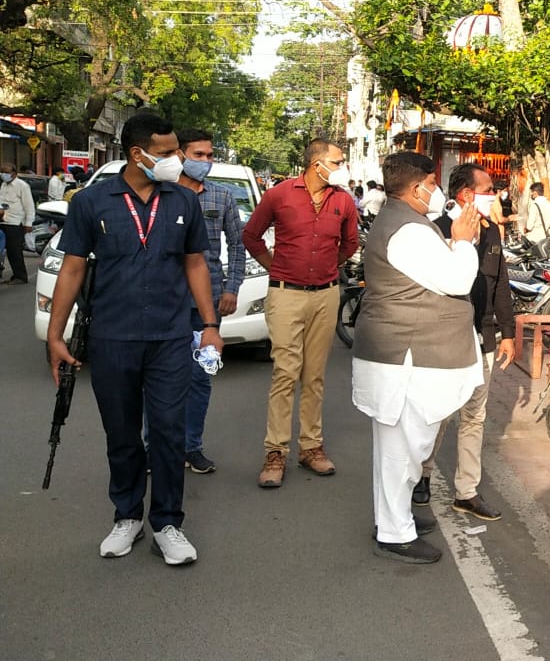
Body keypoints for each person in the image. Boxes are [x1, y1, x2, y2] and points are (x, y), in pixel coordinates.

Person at [47, 113, 222, 565]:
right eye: (165, 153)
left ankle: (167, 523)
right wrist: (55, 334)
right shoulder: (91, 202)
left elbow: (196, 264)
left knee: (167, 433)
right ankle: (127, 516)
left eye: (175, 151)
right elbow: (72, 267)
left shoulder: (183, 200)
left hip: (168, 338)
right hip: (112, 337)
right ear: (137, 154)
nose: (175, 160)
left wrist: (209, 327)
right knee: (122, 434)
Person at [351, 151, 484, 563]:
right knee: (401, 447)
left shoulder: (406, 222)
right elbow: (457, 279)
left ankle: (395, 516)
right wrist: (462, 241)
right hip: (404, 358)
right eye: (432, 182)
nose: (436, 190)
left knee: (407, 446)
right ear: (417, 187)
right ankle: (394, 533)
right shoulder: (407, 229)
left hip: (406, 356)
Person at [243, 139, 360, 488]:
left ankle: (311, 447)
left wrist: (328, 265)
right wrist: (276, 266)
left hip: (325, 295)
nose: (342, 167)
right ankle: (275, 451)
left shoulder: (343, 201)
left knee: (315, 375)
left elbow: (350, 244)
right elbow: (252, 236)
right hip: (286, 295)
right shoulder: (279, 195)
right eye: (337, 161)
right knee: (285, 372)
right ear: (316, 163)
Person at [411, 163, 516, 521]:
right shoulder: (433, 231)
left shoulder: (492, 234)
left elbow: (500, 285)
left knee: (474, 416)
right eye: (488, 189)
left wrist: (509, 334)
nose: (495, 195)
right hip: (445, 340)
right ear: (467, 195)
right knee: (438, 412)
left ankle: (466, 492)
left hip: (483, 337)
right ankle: (421, 476)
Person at [173, 128, 244, 474]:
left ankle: (191, 447)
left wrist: (232, 288)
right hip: (166, 301)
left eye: (210, 155)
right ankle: (153, 446)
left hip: (208, 305)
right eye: (198, 155)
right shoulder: (162, 196)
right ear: (180, 156)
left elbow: (238, 245)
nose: (206, 161)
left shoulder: (223, 197)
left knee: (201, 376)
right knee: (159, 377)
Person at [0, 163, 34, 284]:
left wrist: (28, 223)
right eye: (2, 172)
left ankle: (20, 276)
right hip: (3, 220)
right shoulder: (3, 185)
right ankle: (12, 275)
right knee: (5, 251)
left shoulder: (22, 186)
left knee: (14, 251)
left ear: (14, 173)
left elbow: (29, 206)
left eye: (6, 172)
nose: (3, 175)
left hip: (15, 222)